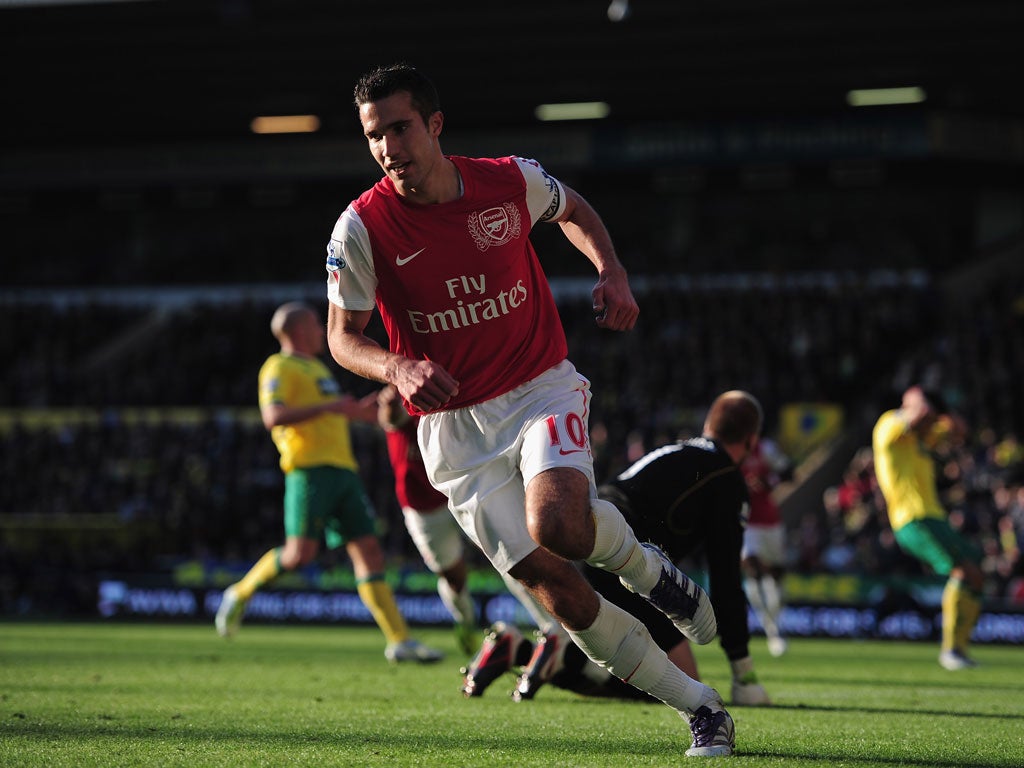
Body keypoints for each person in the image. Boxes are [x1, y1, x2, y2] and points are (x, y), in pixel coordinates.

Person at [324, 63, 734, 757]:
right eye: (374, 136)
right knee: (560, 592)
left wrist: (610, 270)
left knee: (560, 524)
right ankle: (700, 706)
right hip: (454, 432)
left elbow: (573, 209)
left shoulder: (508, 181)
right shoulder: (361, 227)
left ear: (435, 125)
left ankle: (647, 571)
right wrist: (397, 367)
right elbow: (342, 336)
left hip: (539, 386)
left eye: (400, 128)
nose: (388, 147)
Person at [466, 391, 772, 707]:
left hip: (588, 538)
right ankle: (565, 658)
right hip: (627, 561)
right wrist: (743, 672)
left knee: (611, 650)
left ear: (709, 426)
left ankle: (519, 650)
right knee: (680, 682)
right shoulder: (726, 477)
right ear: (751, 440)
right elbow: (725, 577)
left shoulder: (677, 451)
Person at [215, 301, 444, 664]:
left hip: (343, 472)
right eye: (314, 324)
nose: (321, 329)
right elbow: (273, 416)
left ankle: (399, 640)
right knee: (299, 555)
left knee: (369, 553)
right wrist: (330, 407)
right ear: (298, 330)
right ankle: (240, 593)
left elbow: (342, 413)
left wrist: (374, 408)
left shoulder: (319, 369)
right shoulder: (279, 367)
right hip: (309, 471)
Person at [872, 385, 984, 670]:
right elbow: (919, 414)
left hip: (934, 516)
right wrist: (920, 400)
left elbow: (960, 429)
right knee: (961, 571)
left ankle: (960, 648)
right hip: (911, 518)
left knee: (975, 573)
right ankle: (951, 651)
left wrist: (943, 411)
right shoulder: (888, 423)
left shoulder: (922, 438)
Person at [377, 383, 479, 655]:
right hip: (423, 506)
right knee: (453, 577)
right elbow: (391, 417)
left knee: (506, 554)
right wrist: (389, 405)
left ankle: (551, 628)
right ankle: (465, 619)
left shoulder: (456, 388)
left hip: (462, 491)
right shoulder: (405, 392)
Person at [740, 436, 793, 657]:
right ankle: (772, 630)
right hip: (746, 523)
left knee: (775, 574)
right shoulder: (729, 450)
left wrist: (769, 481)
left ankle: (777, 623)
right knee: (752, 568)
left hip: (771, 523)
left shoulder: (766, 448)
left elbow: (789, 472)